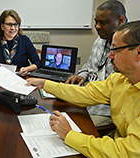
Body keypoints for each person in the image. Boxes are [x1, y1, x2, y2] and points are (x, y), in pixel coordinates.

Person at [26, 20, 140, 157]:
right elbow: (84, 93)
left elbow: (125, 153)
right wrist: (46, 84)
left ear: (138, 52)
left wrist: (68, 134)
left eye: (115, 49)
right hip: (115, 140)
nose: (110, 55)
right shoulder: (120, 80)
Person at [65, 0, 127, 127]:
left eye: (103, 22)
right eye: (96, 22)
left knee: (73, 126)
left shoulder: (131, 45)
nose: (97, 27)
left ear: (120, 20)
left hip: (106, 110)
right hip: (89, 98)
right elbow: (90, 64)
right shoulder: (100, 39)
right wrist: (82, 75)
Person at [0, 9, 40, 76]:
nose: (13, 28)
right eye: (9, 24)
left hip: (21, 78)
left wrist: (27, 69)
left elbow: (37, 63)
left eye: (15, 24)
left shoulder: (25, 40)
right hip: (0, 79)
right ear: (2, 26)